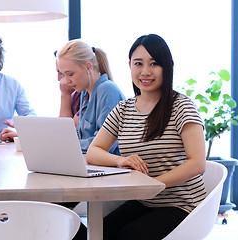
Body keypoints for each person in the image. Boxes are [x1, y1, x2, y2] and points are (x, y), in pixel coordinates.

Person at [86, 34, 207, 239]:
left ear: (167, 67)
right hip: (144, 201)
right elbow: (93, 152)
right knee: (95, 234)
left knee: (128, 235)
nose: (145, 72)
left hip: (182, 205)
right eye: (138, 64)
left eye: (154, 64)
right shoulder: (124, 109)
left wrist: (153, 185)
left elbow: (197, 163)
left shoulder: (181, 106)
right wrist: (121, 160)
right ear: (130, 66)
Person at [56, 39, 125, 154]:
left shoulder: (107, 90)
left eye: (70, 74)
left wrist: (67, 144)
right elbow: (80, 136)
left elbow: (105, 147)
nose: (66, 81)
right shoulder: (85, 93)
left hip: (112, 168)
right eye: (63, 74)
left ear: (88, 67)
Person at [55, 50, 81, 123]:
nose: (58, 78)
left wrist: (65, 94)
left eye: (68, 74)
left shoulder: (85, 93)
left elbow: (64, 129)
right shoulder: (75, 93)